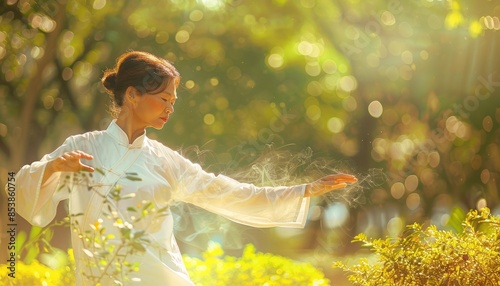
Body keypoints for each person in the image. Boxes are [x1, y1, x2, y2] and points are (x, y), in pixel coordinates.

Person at [10, 51, 357, 285]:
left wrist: (303, 190)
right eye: (163, 99)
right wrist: (54, 167)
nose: (170, 108)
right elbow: (19, 190)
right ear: (131, 95)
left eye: (173, 102)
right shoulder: (81, 148)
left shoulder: (164, 160)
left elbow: (226, 193)